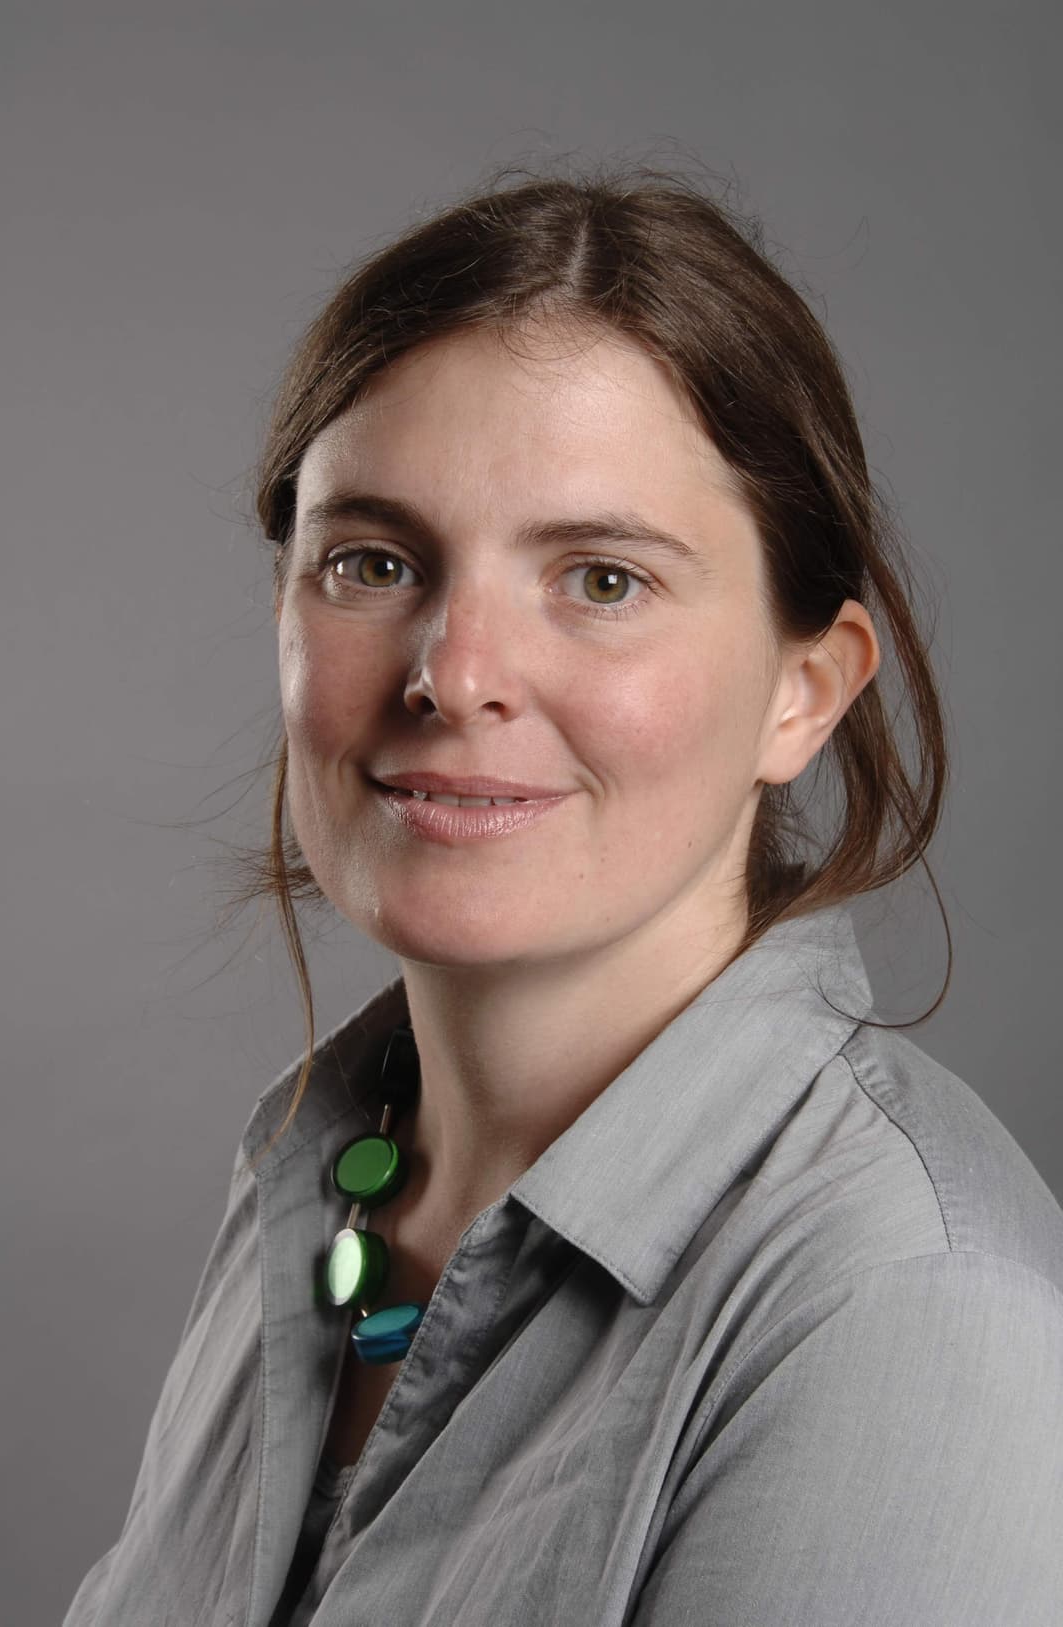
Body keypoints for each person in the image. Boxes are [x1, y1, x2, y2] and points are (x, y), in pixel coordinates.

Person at [63, 163, 1063, 1627]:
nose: (454, 673)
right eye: (374, 561)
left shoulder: (902, 1308)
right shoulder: (326, 1175)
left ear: (803, 692)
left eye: (601, 581)